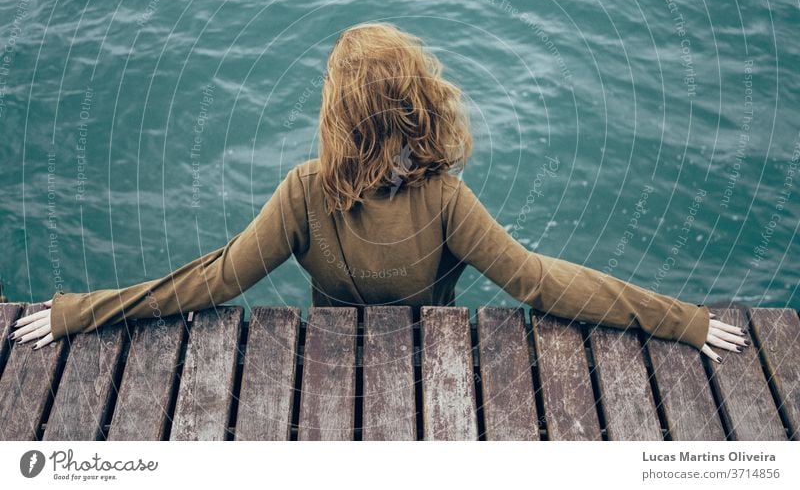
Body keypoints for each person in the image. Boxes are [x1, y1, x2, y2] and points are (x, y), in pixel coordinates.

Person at [9, 22, 747, 362]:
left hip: (325, 364)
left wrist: (78, 314)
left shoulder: (306, 191)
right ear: (418, 108)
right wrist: (680, 321)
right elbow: (541, 281)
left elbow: (213, 278)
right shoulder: (447, 199)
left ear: (340, 120)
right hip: (433, 364)